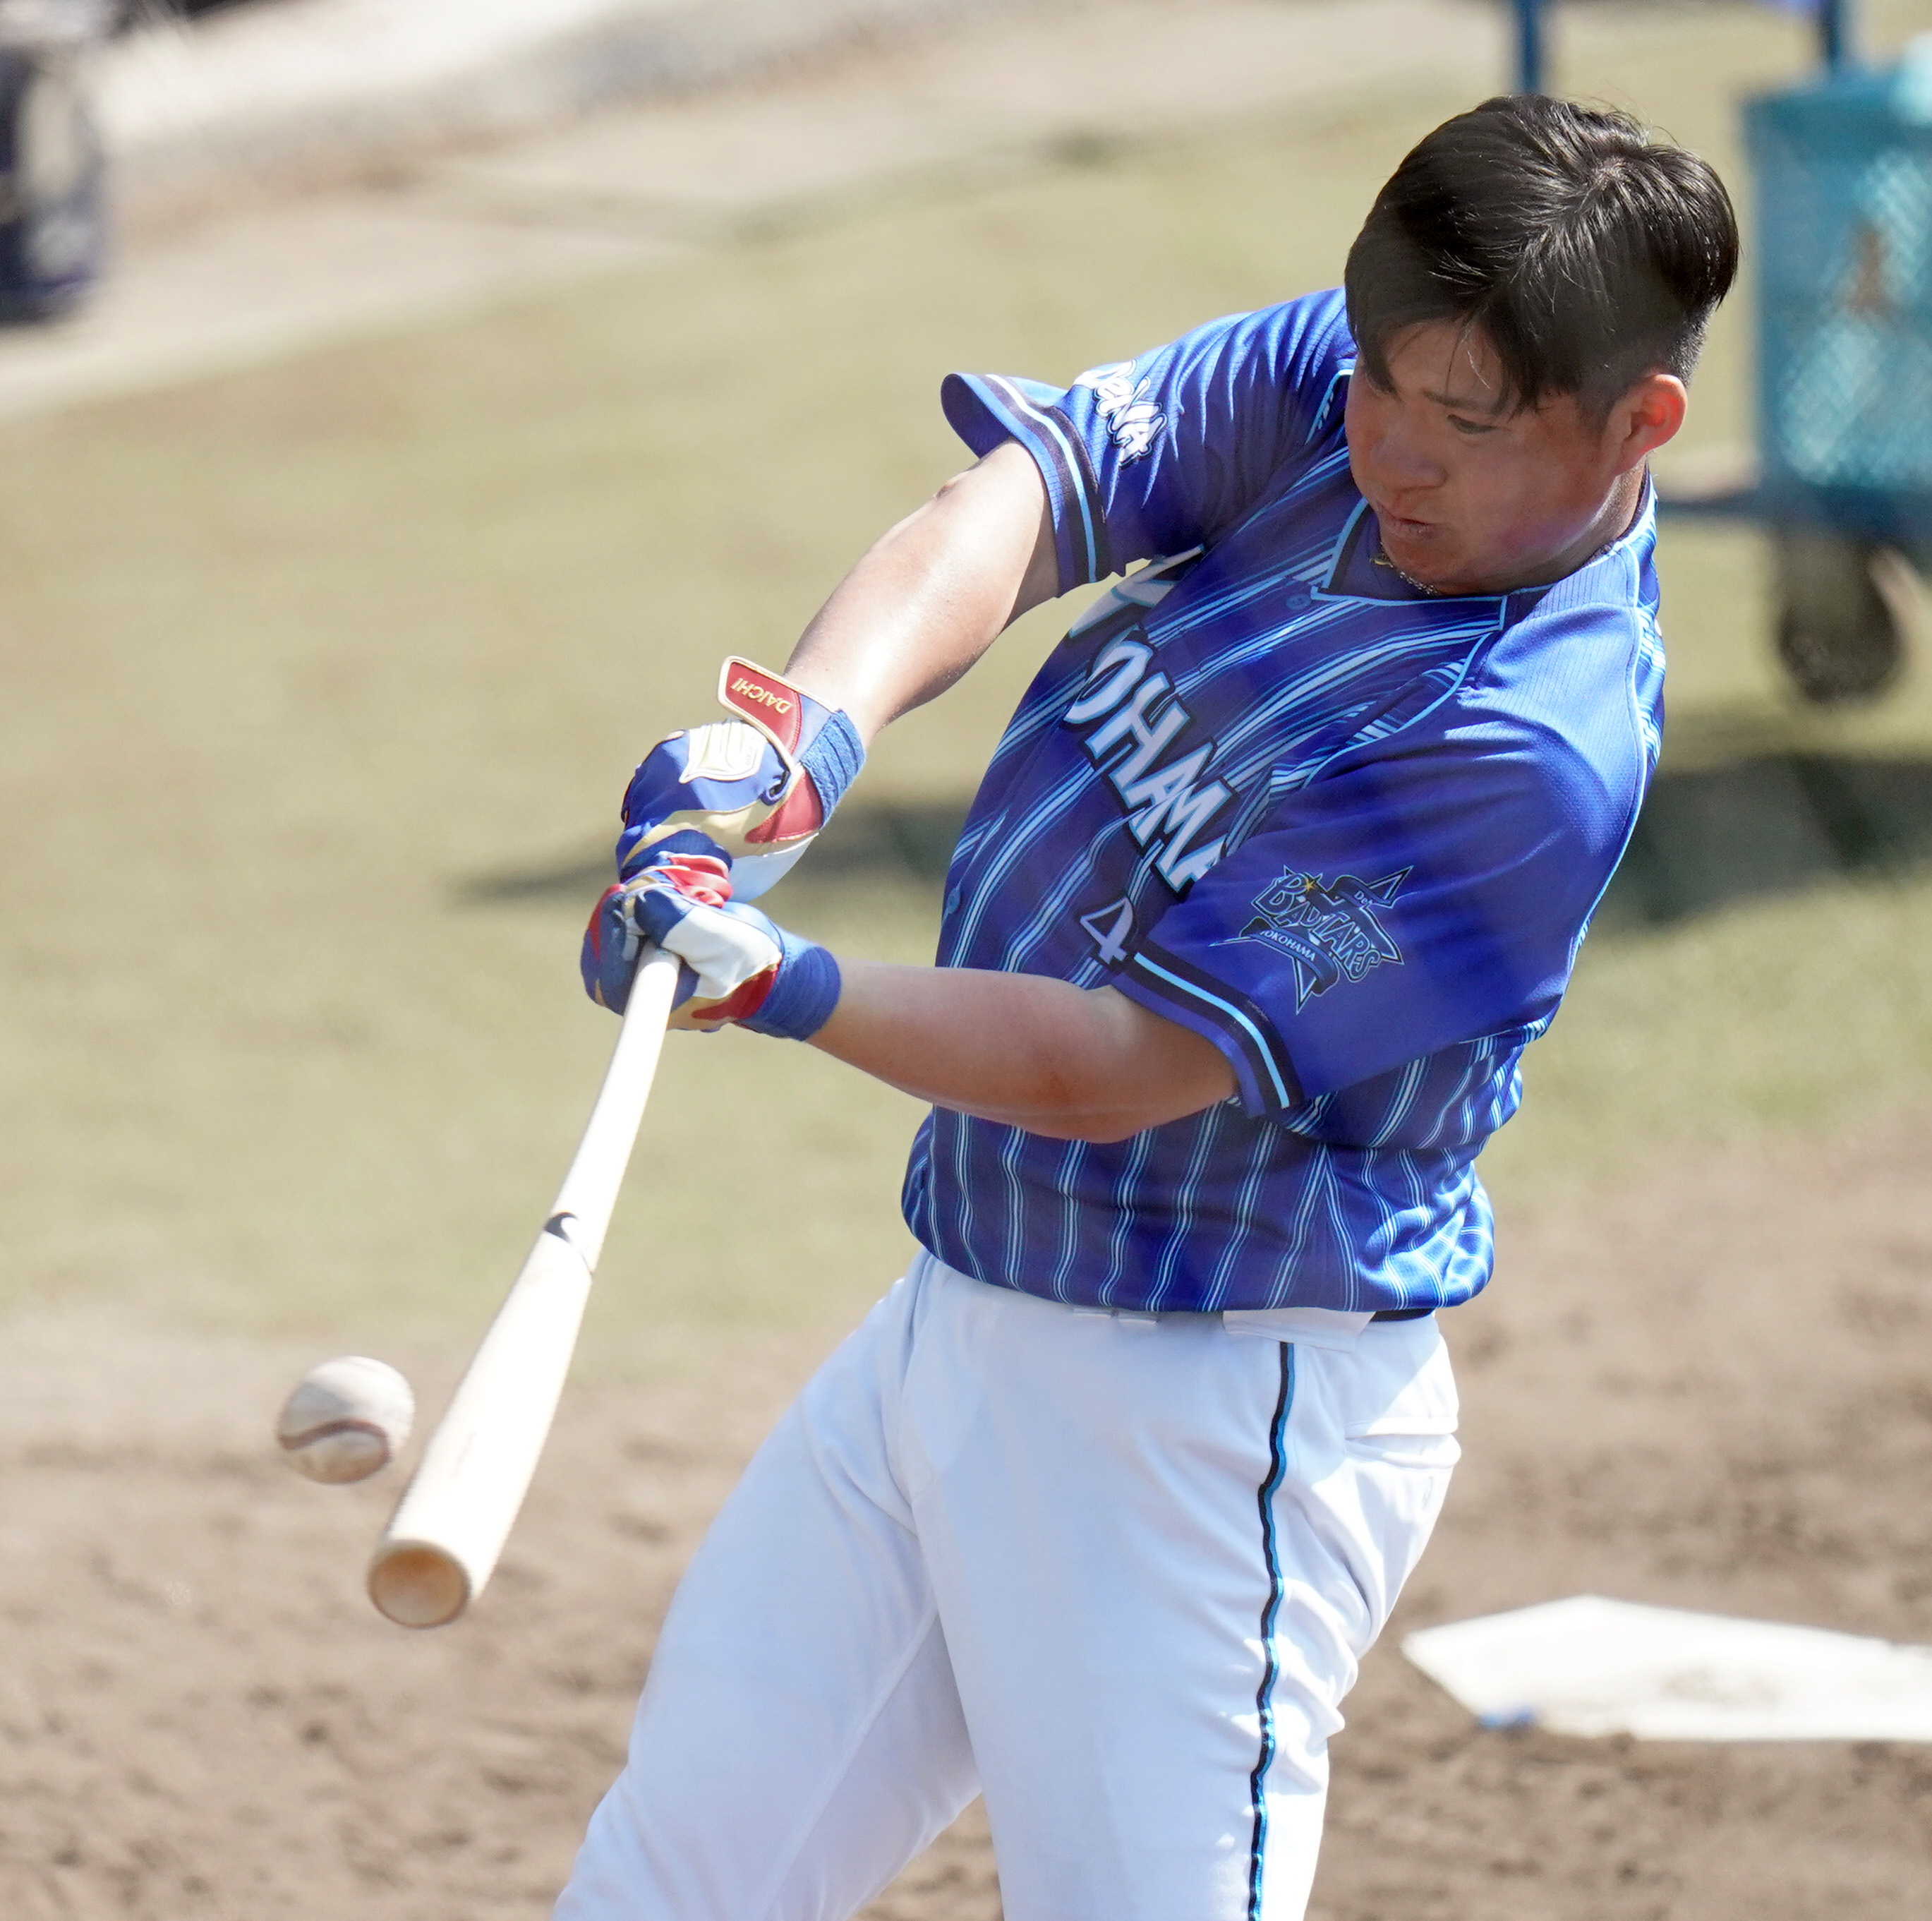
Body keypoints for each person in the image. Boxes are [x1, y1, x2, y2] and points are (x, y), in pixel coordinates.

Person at [558, 93, 1738, 1921]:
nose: (1390, 451)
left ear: (1634, 422)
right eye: (1373, 388)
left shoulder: (1524, 745)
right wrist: (801, 741)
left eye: (1463, 423)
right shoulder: (1367, 376)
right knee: (670, 1882)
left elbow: (1117, 1067)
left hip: (1206, 1418)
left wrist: (784, 982)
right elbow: (1025, 503)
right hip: (962, 1310)